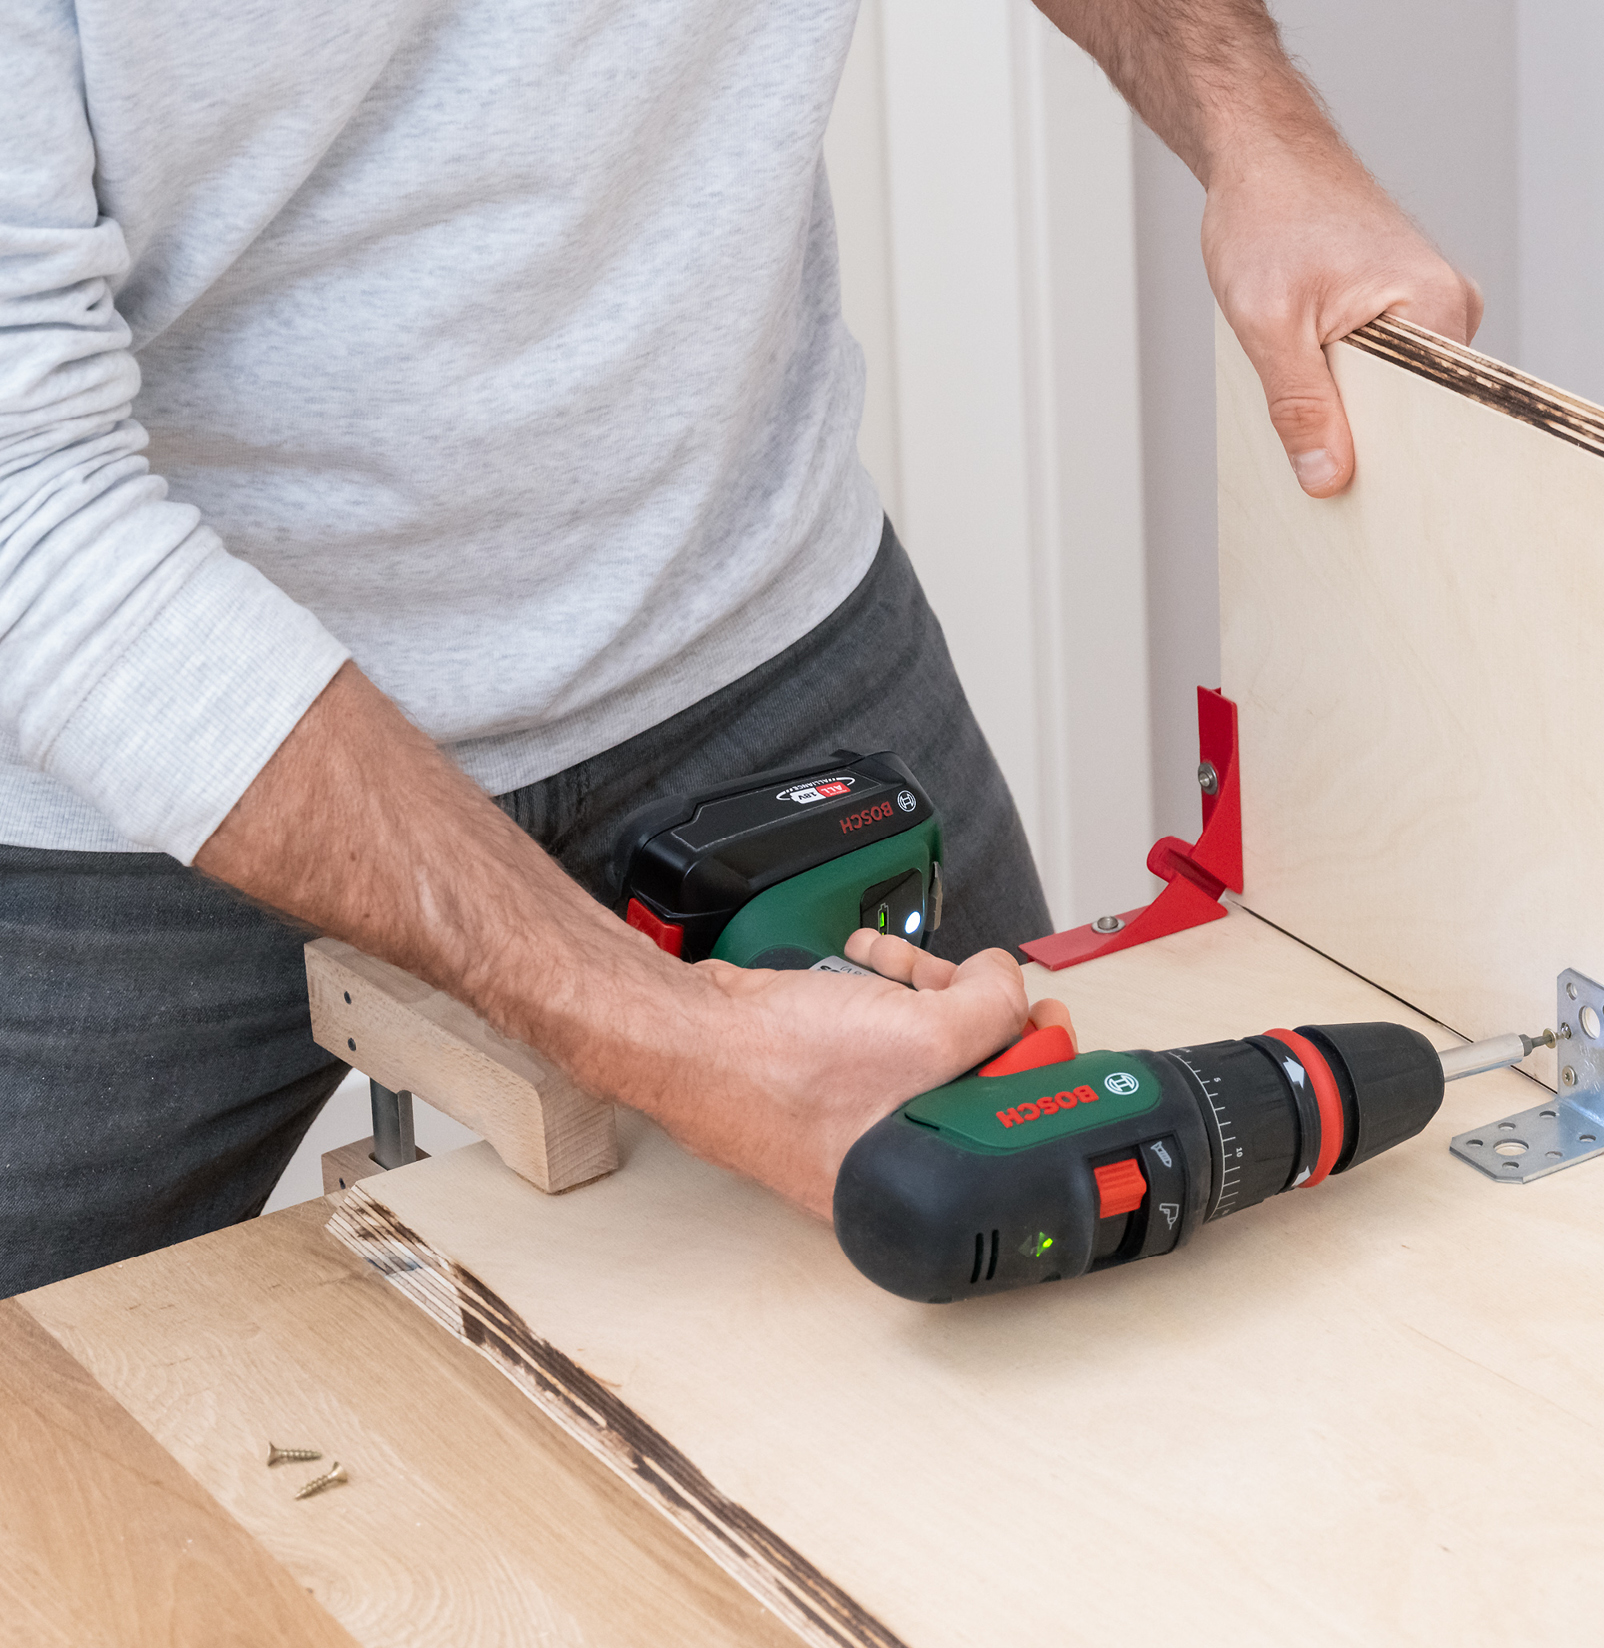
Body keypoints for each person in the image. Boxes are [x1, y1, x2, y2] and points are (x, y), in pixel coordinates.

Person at [0, 0, 1480, 1296]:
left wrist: (1255, 125)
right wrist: (672, 1038)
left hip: (757, 636)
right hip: (135, 774)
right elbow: (25, 501)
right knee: (54, 1471)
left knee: (1047, 1335)